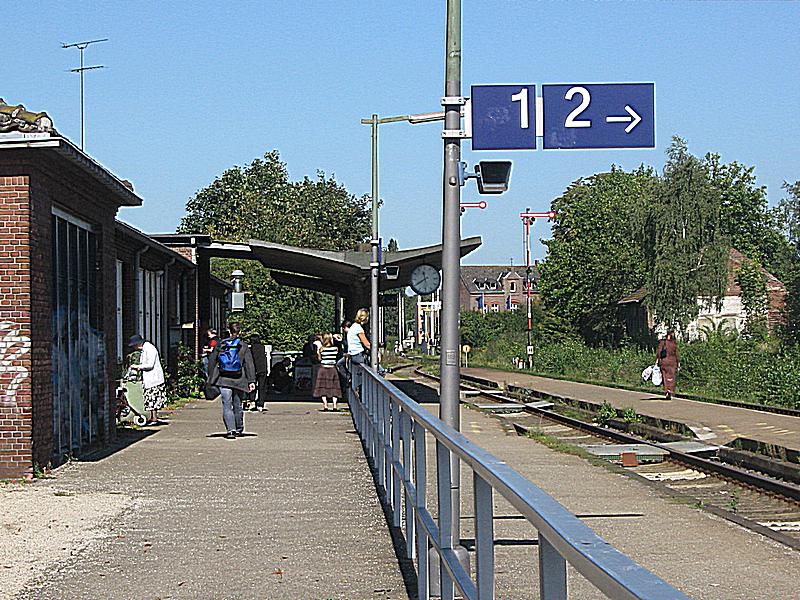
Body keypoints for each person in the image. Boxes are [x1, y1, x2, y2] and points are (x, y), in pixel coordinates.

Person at [206, 322, 256, 439]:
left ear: (229, 331)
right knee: (238, 404)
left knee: (226, 405)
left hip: (223, 379)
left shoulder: (221, 344)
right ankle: (239, 428)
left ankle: (231, 430)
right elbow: (249, 364)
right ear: (240, 332)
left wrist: (211, 377)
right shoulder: (243, 346)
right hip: (239, 379)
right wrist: (251, 381)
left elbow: (212, 360)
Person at [127, 334, 166, 426]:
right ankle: (153, 418)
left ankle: (154, 418)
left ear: (138, 344)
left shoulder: (149, 349)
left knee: (153, 400)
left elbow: (150, 365)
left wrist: (137, 367)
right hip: (150, 379)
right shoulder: (145, 349)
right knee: (150, 400)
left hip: (154, 379)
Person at [314, 333, 343, 411]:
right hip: (332, 369)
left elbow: (319, 359)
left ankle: (325, 405)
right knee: (335, 387)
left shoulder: (322, 349)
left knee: (323, 387)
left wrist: (318, 352)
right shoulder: (335, 349)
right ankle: (334, 405)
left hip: (323, 369)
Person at [656, 331, 680, 400]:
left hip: (664, 362)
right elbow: (676, 354)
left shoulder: (663, 343)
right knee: (672, 377)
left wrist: (658, 360)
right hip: (673, 362)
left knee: (665, 376)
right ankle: (671, 389)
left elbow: (659, 352)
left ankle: (667, 390)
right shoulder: (674, 344)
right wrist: (678, 362)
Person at [248, 334, 269, 412]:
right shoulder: (262, 347)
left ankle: (252, 401)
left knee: (252, 385)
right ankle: (261, 404)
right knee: (262, 387)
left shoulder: (251, 349)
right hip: (263, 369)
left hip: (254, 369)